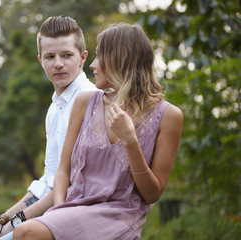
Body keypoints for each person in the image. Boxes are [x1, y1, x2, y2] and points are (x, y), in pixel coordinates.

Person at [11, 22, 184, 240]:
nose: (92, 65)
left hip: (119, 215)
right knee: (26, 230)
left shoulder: (169, 116)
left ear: (121, 58)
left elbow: (151, 195)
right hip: (71, 207)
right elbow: (62, 171)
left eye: (99, 56)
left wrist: (130, 141)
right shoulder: (85, 102)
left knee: (26, 232)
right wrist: (59, 212)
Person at [0, 16, 97, 240]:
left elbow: (72, 184)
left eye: (66, 55)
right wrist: (3, 219)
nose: (58, 63)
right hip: (52, 210)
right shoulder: (55, 109)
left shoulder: (91, 101)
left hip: (80, 214)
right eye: (50, 56)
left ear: (82, 58)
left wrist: (15, 223)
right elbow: (48, 180)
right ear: (40, 60)